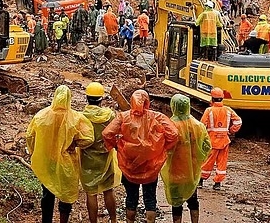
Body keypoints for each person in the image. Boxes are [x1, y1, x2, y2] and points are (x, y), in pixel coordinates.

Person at [102, 90, 179, 223]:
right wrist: (162, 148)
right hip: (151, 167)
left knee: (131, 198)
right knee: (150, 199)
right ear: (147, 102)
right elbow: (173, 134)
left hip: (129, 166)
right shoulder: (157, 117)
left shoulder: (122, 117)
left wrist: (117, 146)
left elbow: (107, 134)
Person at [27, 85, 94, 223]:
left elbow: (30, 136)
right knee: (65, 194)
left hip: (47, 160)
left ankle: (47, 220)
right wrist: (75, 144)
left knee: (47, 192)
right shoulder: (76, 118)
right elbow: (89, 138)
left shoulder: (41, 116)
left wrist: (35, 152)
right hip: (66, 161)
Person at [162, 94, 211, 223]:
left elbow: (162, 147)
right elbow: (207, 146)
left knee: (176, 202)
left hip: (175, 170)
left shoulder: (170, 125)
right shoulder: (198, 126)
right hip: (192, 171)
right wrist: (198, 158)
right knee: (193, 199)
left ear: (174, 106)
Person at [80, 82, 121, 223]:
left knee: (91, 194)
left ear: (87, 98)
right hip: (106, 158)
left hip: (87, 159)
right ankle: (114, 220)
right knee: (108, 190)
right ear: (101, 99)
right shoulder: (109, 115)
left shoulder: (82, 117)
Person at [200, 87, 242, 190]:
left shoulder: (209, 111)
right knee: (222, 163)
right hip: (224, 141)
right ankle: (217, 184)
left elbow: (201, 126)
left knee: (207, 162)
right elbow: (238, 121)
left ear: (212, 99)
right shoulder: (228, 110)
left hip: (212, 141)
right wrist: (231, 131)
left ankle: (200, 181)